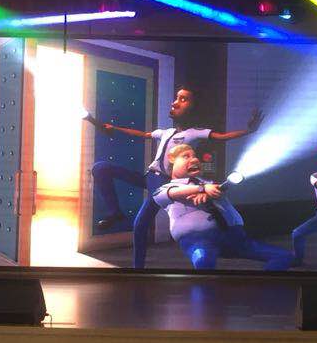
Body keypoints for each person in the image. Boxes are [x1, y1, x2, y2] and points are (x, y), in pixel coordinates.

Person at [86, 86, 262, 269]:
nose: (175, 103)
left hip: (161, 183)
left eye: (183, 99)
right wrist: (115, 128)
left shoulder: (194, 133)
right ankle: (115, 212)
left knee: (140, 225)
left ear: (193, 108)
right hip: (149, 177)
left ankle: (137, 269)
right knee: (101, 168)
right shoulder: (165, 132)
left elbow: (222, 137)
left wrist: (248, 131)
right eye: (176, 98)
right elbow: (143, 134)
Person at [153, 143, 294, 271]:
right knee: (203, 260)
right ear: (171, 160)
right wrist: (201, 189)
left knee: (284, 256)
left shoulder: (209, 184)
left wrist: (208, 190)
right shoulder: (164, 189)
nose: (194, 159)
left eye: (194, 156)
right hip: (200, 240)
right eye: (186, 156)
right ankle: (204, 290)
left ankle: (262, 286)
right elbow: (174, 192)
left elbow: (216, 190)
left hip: (235, 238)